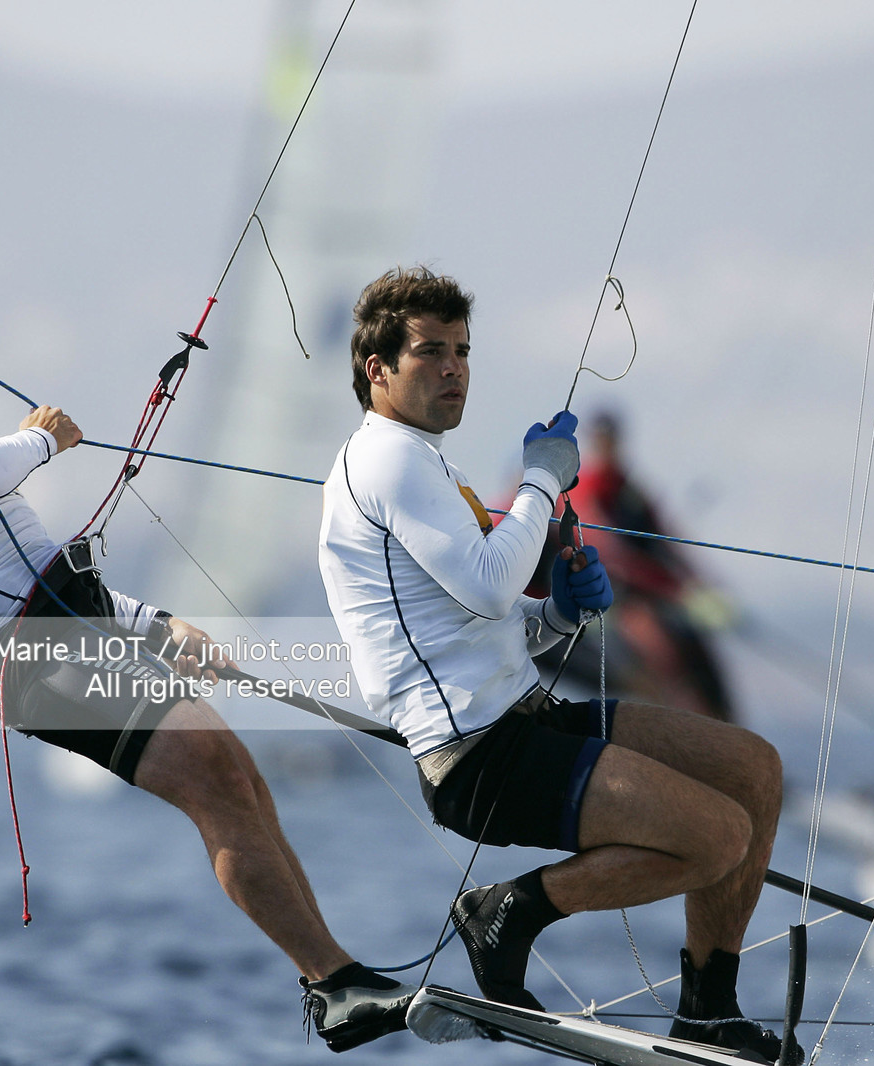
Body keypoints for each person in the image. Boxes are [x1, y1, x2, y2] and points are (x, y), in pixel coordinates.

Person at [0, 246, 412, 1053]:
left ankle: (338, 977)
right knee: (215, 782)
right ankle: (334, 982)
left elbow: (38, 564)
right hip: (28, 660)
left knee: (239, 778)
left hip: (70, 632)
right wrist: (41, 439)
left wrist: (157, 624)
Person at [317, 266, 786, 1061]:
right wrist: (541, 476)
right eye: (431, 352)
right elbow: (490, 584)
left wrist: (560, 615)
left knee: (753, 770)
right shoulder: (386, 462)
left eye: (463, 351)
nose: (454, 368)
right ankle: (507, 913)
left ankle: (709, 1013)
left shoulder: (428, 465)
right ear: (378, 369)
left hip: (527, 720)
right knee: (719, 838)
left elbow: (489, 621)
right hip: (478, 758)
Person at [530, 410, 741, 723]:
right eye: (601, 439)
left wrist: (698, 583)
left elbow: (666, 538)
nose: (607, 446)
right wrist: (664, 584)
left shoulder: (629, 488)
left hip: (653, 593)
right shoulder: (583, 486)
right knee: (658, 651)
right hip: (615, 597)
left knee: (698, 654)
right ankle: (684, 721)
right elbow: (604, 545)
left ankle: (723, 722)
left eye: (610, 439)